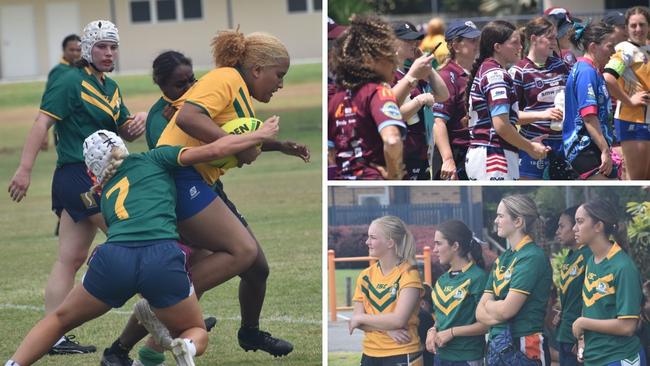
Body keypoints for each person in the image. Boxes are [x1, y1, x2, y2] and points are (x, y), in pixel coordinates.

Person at [4, 119, 279, 366]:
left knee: (59, 319)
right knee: (195, 330)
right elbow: (217, 150)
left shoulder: (100, 192)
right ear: (123, 148)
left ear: (91, 173)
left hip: (114, 257)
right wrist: (260, 134)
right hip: (162, 257)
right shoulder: (156, 158)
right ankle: (188, 346)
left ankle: (15, 363)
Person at [102, 28, 303, 365]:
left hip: (198, 181)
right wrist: (237, 142)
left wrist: (269, 146)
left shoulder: (240, 91)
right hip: (179, 176)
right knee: (242, 251)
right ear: (257, 69)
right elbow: (189, 117)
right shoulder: (225, 78)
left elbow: (237, 145)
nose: (280, 83)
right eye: (278, 75)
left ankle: (132, 346)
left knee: (254, 265)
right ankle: (158, 309)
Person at [7, 19, 146, 355]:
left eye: (113, 46)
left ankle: (52, 337)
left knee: (69, 258)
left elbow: (122, 130)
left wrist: (136, 123)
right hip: (78, 176)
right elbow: (42, 122)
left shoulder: (111, 87)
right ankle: (170, 311)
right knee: (131, 236)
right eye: (102, 46)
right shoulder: (70, 81)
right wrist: (24, 169)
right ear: (87, 49)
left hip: (98, 176)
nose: (109, 53)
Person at [465, 21, 549, 180]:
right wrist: (530, 147)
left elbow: (503, 120)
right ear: (497, 47)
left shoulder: (488, 69)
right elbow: (501, 125)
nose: (520, 47)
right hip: (494, 156)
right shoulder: (496, 75)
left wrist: (525, 141)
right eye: (515, 43)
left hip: (488, 153)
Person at [328, 15, 408, 180]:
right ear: (368, 59)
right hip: (373, 184)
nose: (394, 60)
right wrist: (394, 175)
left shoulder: (336, 99)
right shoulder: (378, 93)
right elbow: (392, 140)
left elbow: (329, 153)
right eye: (387, 53)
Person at [476, 194, 553, 365]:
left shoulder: (532, 256)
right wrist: (499, 311)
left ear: (518, 221)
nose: (496, 220)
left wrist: (490, 306)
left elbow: (506, 310)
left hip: (525, 345)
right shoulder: (503, 259)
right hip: (498, 344)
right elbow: (479, 313)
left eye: (501, 216)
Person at [571, 200, 645, 366]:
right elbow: (592, 306)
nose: (574, 228)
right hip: (593, 358)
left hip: (619, 358)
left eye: (580, 222)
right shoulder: (591, 261)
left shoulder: (623, 267)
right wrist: (583, 341)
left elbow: (627, 327)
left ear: (598, 226)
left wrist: (583, 323)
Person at [349, 216, 424, 366]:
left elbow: (398, 320)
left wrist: (361, 318)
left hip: (402, 353)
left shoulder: (409, 274)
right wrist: (387, 330)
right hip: (369, 354)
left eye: (373, 238)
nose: (367, 242)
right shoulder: (365, 276)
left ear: (390, 243)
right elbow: (355, 321)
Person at [510, 17, 570, 180]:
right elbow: (511, 117)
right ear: (534, 39)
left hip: (563, 142)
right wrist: (543, 115)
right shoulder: (518, 71)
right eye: (549, 37)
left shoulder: (561, 65)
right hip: (533, 142)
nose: (553, 42)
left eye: (554, 37)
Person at [426, 220, 488, 366]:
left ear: (455, 246)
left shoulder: (478, 278)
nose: (435, 250)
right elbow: (442, 319)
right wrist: (432, 330)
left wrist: (452, 332)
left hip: (467, 358)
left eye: (439, 243)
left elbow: (486, 325)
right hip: (440, 357)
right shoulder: (442, 280)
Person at [563, 21, 619, 180]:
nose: (613, 51)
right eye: (610, 46)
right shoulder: (586, 72)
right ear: (593, 47)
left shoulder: (593, 71)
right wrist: (605, 150)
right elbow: (588, 117)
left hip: (594, 147)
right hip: (585, 148)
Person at [603, 6, 650, 180]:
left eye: (642, 25)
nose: (638, 29)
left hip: (647, 119)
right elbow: (608, 77)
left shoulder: (647, 48)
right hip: (633, 121)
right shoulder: (625, 49)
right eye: (633, 25)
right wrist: (629, 100)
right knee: (637, 179)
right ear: (627, 28)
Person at [431, 20, 480, 180]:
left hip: (472, 151)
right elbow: (438, 122)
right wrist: (448, 159)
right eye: (471, 40)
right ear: (456, 46)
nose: (476, 44)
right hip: (455, 154)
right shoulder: (447, 76)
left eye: (477, 40)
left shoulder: (475, 72)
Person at [390, 20, 438, 180]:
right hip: (403, 153)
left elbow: (443, 94)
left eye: (414, 40)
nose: (414, 44)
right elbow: (390, 112)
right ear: (391, 41)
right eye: (407, 40)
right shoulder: (388, 75)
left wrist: (426, 63)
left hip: (420, 151)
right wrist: (419, 100)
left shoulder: (406, 72)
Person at [553, 206, 592, 366]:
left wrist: (583, 337)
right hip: (565, 333)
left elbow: (590, 299)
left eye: (562, 226)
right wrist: (562, 312)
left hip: (579, 337)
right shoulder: (570, 257)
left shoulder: (589, 256)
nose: (557, 231)